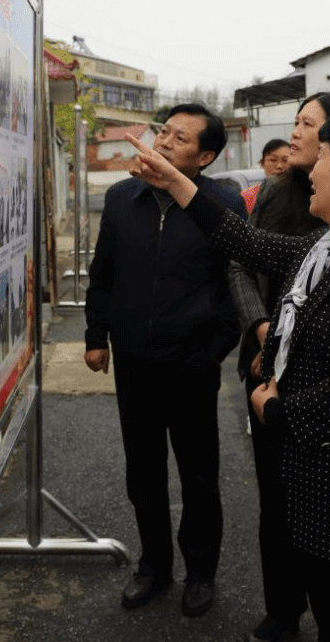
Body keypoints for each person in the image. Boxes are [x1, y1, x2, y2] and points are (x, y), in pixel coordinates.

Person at [127, 102, 330, 642]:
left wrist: (276, 409)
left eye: (324, 158)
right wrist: (177, 183)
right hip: (327, 497)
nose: (307, 167)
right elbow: (245, 243)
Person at [84, 102, 245, 617]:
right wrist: (96, 336)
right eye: (165, 132)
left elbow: (235, 288)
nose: (165, 142)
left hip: (192, 365)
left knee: (199, 475)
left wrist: (212, 352)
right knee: (143, 473)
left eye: (180, 139)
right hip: (135, 364)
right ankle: (153, 566)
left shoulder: (222, 205)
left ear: (206, 156)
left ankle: (201, 572)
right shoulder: (120, 199)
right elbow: (102, 273)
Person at [227, 91, 330, 642]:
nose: (296, 132)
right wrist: (261, 329)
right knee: (275, 500)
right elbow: (240, 264)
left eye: (309, 123)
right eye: (296, 121)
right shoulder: (273, 196)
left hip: (317, 376)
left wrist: (282, 338)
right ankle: (282, 609)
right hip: (264, 366)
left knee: (325, 502)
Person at [242, 138, 291, 213]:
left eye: (285, 160)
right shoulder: (247, 196)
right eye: (273, 160)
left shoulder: (302, 196)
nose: (279, 166)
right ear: (262, 163)